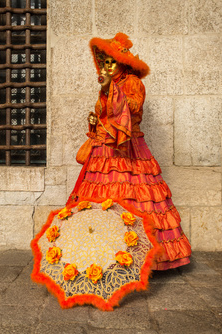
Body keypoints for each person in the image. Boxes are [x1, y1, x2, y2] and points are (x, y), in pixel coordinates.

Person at [67, 33, 191, 270]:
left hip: (129, 147)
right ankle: (100, 256)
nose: (108, 66)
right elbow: (106, 115)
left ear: (123, 63)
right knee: (102, 197)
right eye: (105, 63)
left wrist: (111, 89)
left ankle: (136, 258)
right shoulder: (107, 85)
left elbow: (134, 107)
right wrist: (94, 120)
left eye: (112, 62)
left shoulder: (133, 82)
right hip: (105, 149)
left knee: (135, 196)